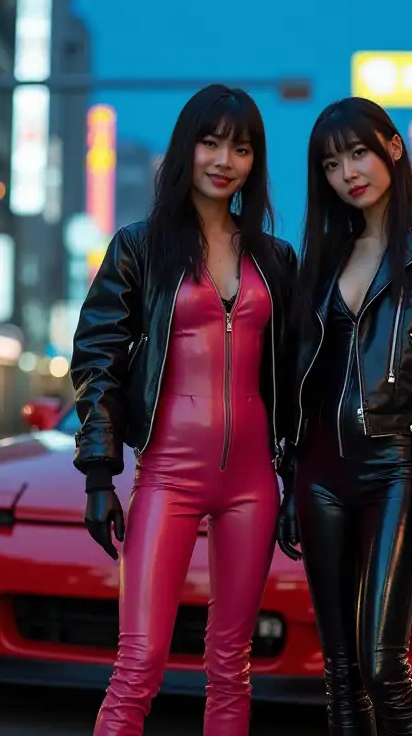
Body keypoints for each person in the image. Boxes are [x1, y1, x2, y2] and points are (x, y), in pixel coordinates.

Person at [69, 84, 297, 736]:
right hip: (167, 475)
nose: (225, 159)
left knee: (231, 664)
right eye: (212, 141)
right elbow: (96, 361)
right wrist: (97, 474)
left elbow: (300, 377)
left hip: (254, 485)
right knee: (139, 662)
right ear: (185, 149)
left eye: (242, 147)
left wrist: (300, 477)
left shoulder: (275, 259)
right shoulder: (140, 248)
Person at [275, 97, 412, 735]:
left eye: (359, 152)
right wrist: (289, 480)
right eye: (332, 163)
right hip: (316, 473)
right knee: (338, 677)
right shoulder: (319, 259)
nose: (348, 172)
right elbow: (300, 383)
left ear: (394, 147)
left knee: (381, 667)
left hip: (394, 466)